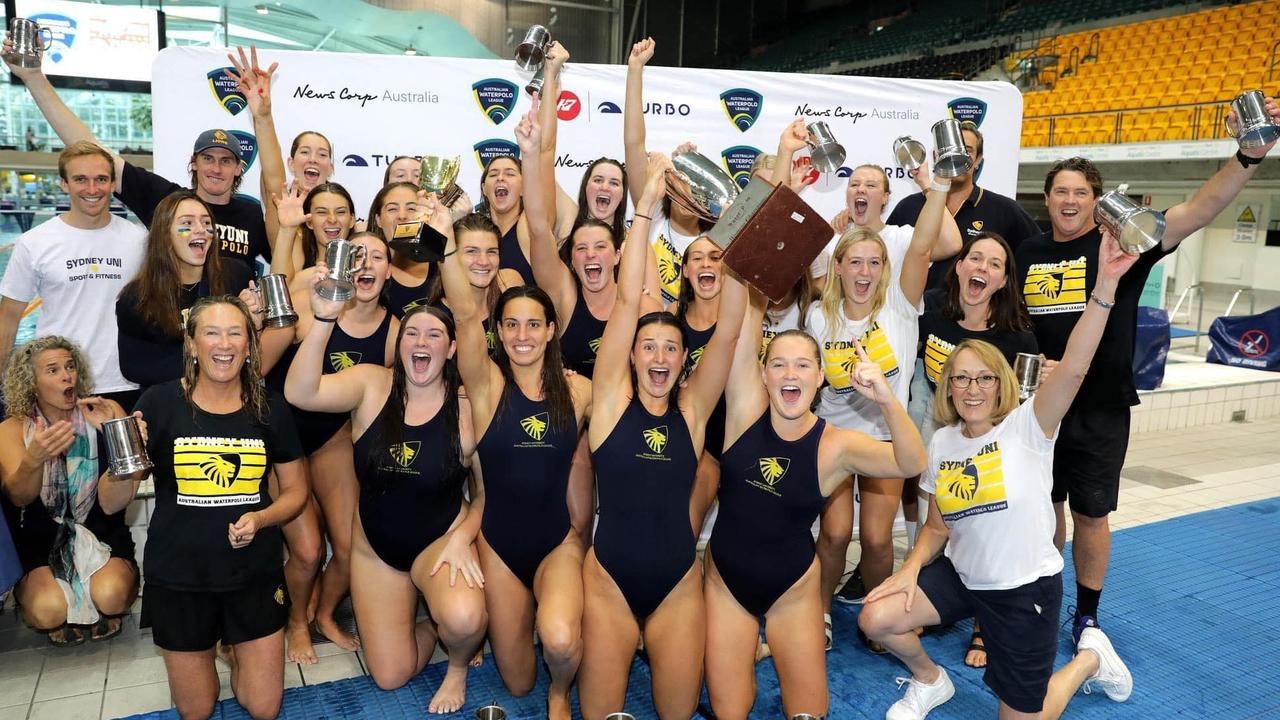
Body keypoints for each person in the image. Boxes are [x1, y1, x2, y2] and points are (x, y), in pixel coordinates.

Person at [1016, 101, 1278, 646]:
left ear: (1095, 201)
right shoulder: (1027, 251)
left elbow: (1199, 209)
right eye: (1060, 191)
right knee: (1044, 506)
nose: (1069, 200)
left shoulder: (1124, 244)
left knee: (1090, 514)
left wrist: (1248, 157)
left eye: (1080, 193)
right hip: (1037, 406)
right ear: (1046, 200)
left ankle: (1086, 615)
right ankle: (1042, 590)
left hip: (1101, 405)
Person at [860, 228, 1140, 720]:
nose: (972, 389)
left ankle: (1089, 660)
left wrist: (1106, 288)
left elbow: (1074, 367)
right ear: (947, 386)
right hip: (964, 577)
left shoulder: (1029, 427)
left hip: (1023, 591)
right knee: (876, 617)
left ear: (1003, 382)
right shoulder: (944, 442)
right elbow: (937, 527)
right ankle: (931, 680)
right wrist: (907, 570)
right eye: (961, 378)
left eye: (985, 378)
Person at [577, 151, 744, 717]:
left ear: (681, 362)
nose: (660, 354)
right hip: (607, 582)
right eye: (648, 345)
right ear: (630, 354)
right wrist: (644, 207)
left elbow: (725, 337)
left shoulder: (693, 412)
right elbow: (627, 302)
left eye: (671, 347)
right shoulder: (608, 405)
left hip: (677, 583)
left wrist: (738, 223)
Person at [707, 290, 926, 718]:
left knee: (808, 713)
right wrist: (756, 275)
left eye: (803, 364)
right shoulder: (744, 410)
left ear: (821, 375)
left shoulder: (835, 446)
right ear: (763, 374)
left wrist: (885, 397)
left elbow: (911, 461)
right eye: (779, 364)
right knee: (730, 711)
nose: (791, 373)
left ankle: (768, 643)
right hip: (726, 587)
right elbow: (740, 323)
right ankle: (749, 646)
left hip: (793, 590)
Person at [285, 283, 486, 714]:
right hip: (376, 551)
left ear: (451, 349)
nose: (421, 342)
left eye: (434, 334)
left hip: (439, 542)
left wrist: (461, 537)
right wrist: (322, 320)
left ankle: (456, 667)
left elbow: (485, 497)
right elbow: (301, 393)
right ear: (399, 342)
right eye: (412, 332)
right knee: (390, 676)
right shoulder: (371, 386)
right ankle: (429, 627)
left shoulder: (468, 410)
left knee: (466, 621)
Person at [436, 187, 591, 720]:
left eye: (533, 324)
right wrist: (448, 244)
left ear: (551, 332)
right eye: (511, 325)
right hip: (499, 546)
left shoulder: (578, 392)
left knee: (562, 642)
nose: (522, 334)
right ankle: (523, 629)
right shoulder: (487, 386)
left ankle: (562, 690)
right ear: (498, 333)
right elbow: (460, 311)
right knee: (518, 681)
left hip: (556, 543)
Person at [794, 122, 947, 648]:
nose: (864, 270)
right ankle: (820, 616)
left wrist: (938, 186)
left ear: (884, 269)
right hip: (835, 438)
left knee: (880, 537)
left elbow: (926, 246)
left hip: (885, 438)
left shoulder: (900, 305)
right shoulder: (819, 317)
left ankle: (880, 618)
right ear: (837, 267)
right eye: (854, 261)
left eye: (873, 262)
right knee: (834, 533)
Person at [134, 296, 308, 720]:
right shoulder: (156, 404)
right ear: (191, 344)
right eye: (211, 332)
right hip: (180, 577)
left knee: (264, 708)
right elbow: (110, 501)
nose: (224, 344)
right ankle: (217, 645)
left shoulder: (271, 409)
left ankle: (235, 648)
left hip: (253, 573)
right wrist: (128, 461)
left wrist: (262, 517)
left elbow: (296, 492)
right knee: (197, 711)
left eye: (236, 333)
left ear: (250, 345)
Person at [3, 37, 270, 271]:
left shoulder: (252, 214)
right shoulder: (165, 200)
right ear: (194, 164)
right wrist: (34, 77)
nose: (216, 168)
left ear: (239, 168)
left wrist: (264, 117)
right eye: (208, 159)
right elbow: (94, 151)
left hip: (231, 327)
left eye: (226, 161)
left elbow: (286, 259)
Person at [261, 230, 398, 659]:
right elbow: (259, 367)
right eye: (359, 255)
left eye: (378, 257)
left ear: (389, 271)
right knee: (306, 550)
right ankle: (296, 621)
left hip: (331, 439)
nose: (368, 264)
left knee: (348, 545)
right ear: (346, 264)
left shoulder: (394, 332)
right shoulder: (311, 306)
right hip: (280, 443)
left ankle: (323, 612)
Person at [918, 231, 1038, 668]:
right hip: (944, 430)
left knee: (986, 531)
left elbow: (1026, 408)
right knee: (937, 519)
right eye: (975, 258)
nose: (982, 268)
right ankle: (936, 599)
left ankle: (985, 623)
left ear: (1005, 281)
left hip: (995, 446)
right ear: (960, 266)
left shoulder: (1018, 338)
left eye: (994, 264)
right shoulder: (932, 313)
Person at [0, 336, 147, 646]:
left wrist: (122, 444)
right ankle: (49, 599)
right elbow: (19, 497)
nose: (67, 375)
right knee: (48, 611)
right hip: (39, 543)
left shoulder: (106, 409)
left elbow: (112, 505)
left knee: (112, 598)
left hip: (102, 533)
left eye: (70, 367)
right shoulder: (11, 429)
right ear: (31, 383)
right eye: (52, 370)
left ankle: (105, 599)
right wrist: (34, 459)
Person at [0, 142, 146, 411]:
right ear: (64, 184)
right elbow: (8, 320)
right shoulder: (35, 242)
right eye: (81, 179)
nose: (92, 189)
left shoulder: (139, 240)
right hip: (58, 386)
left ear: (113, 183)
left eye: (101, 179)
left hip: (125, 383)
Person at [114, 191, 255, 393]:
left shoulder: (235, 276)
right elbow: (134, 367)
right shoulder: (136, 298)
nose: (201, 230)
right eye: (187, 224)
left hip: (230, 399)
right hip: (169, 408)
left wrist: (253, 323)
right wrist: (208, 357)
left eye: (207, 223)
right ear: (164, 234)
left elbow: (253, 352)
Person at [887, 121, 1041, 298]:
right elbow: (881, 255)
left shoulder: (1005, 210)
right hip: (915, 320)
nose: (956, 156)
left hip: (977, 322)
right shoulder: (908, 207)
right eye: (948, 150)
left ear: (978, 160)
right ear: (935, 155)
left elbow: (1038, 255)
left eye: (966, 151)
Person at [624, 37, 714, 306]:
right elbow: (634, 143)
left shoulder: (715, 239)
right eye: (682, 182)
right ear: (670, 187)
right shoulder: (653, 219)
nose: (689, 193)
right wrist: (635, 70)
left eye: (696, 187)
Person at [224, 47, 335, 252]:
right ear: (291, 163)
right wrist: (262, 116)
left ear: (331, 167)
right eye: (305, 152)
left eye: (322, 154)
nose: (313, 159)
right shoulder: (280, 203)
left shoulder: (342, 213)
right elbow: (273, 175)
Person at [269, 182, 357, 289]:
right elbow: (279, 291)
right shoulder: (299, 258)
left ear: (352, 220)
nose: (332, 219)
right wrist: (287, 228)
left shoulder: (365, 263)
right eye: (322, 212)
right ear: (309, 221)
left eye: (340, 212)